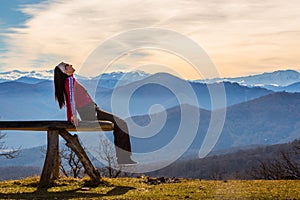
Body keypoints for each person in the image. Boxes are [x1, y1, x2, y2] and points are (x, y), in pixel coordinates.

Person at [54, 62, 136, 165]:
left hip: (92, 111)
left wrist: (72, 116)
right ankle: (124, 159)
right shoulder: (69, 81)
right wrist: (73, 116)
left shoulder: (71, 80)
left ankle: (124, 158)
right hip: (91, 113)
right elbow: (71, 100)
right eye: (67, 65)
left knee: (121, 123)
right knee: (121, 124)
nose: (71, 64)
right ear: (65, 71)